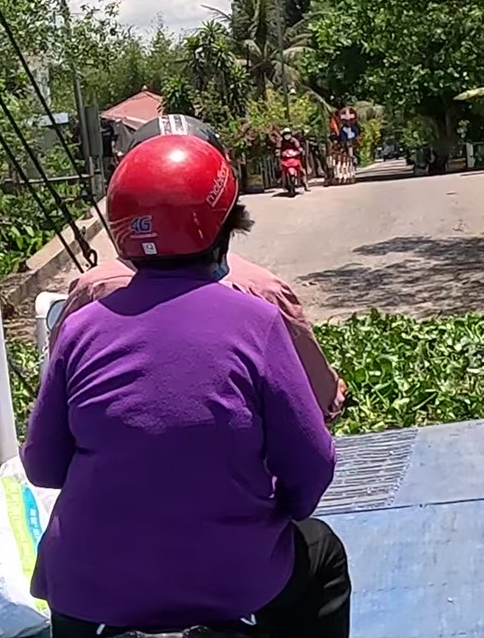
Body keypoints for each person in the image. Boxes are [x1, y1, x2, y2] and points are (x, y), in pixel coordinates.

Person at [25, 134, 420, 638]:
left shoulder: (81, 327)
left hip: (98, 580)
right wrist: (279, 515)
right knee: (321, 556)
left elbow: (43, 466)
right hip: (235, 576)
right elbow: (312, 465)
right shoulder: (254, 319)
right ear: (221, 226)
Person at [59, 123, 346, 422]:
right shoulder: (262, 294)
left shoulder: (90, 294)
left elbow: (51, 421)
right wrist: (332, 398)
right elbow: (316, 404)